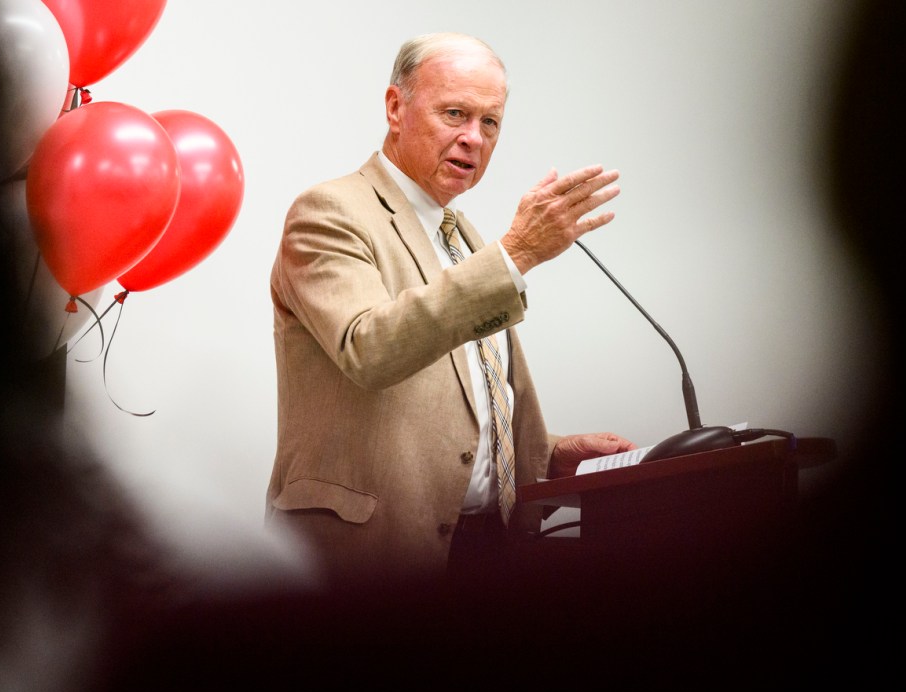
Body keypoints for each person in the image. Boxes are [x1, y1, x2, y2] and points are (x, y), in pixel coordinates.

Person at [265, 32, 636, 601]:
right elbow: (371, 348)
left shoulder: (461, 236)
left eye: (490, 123)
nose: (473, 138)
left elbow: (461, 404)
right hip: (368, 559)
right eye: (455, 113)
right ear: (395, 107)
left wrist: (549, 452)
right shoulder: (330, 212)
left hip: (488, 552)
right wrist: (517, 255)